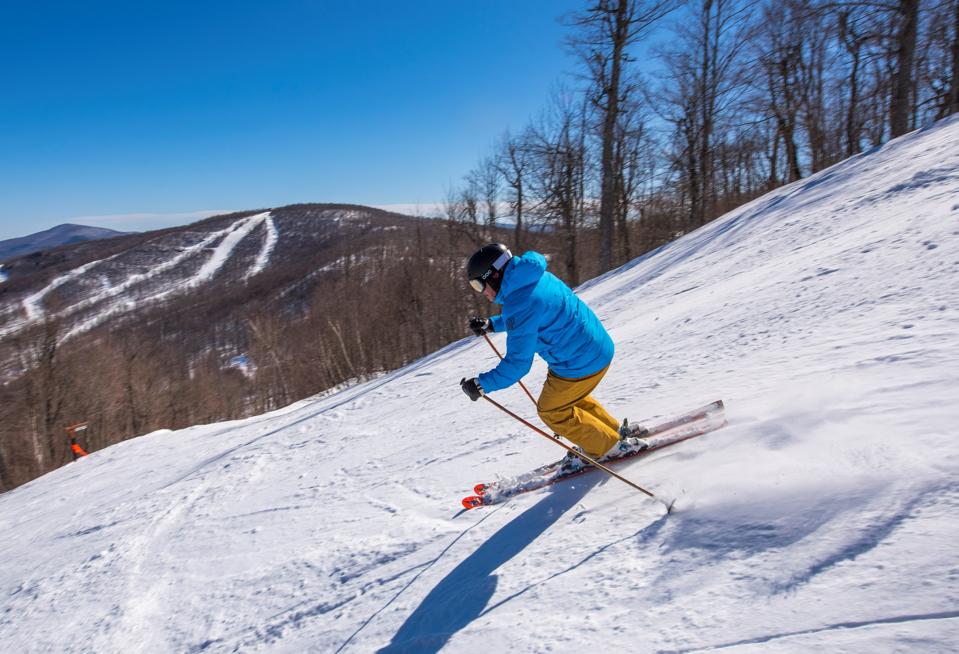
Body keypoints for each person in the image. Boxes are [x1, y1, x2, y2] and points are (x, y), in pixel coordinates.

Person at [460, 243, 643, 471]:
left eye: (479, 285)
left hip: (578, 363)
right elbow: (531, 317)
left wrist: (482, 384)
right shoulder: (534, 276)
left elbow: (518, 364)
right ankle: (613, 433)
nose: (482, 293)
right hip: (597, 347)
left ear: (494, 275)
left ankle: (608, 446)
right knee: (568, 398)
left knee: (551, 410)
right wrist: (492, 324)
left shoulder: (518, 303)